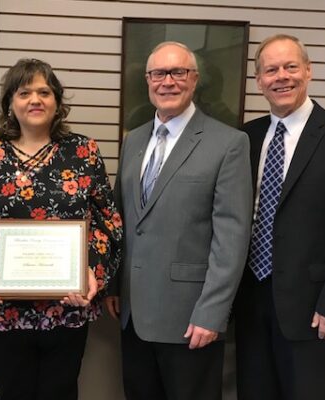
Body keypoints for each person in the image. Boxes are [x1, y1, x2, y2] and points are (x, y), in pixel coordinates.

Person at [0, 58, 122, 400]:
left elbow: (107, 222)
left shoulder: (84, 153)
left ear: (57, 102)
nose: (35, 100)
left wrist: (93, 272)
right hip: (3, 309)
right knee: (12, 392)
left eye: (44, 92)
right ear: (10, 103)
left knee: (60, 392)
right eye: (24, 92)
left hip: (67, 307)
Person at [233, 34, 325, 400]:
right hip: (251, 302)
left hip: (315, 309)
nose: (281, 76)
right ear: (259, 81)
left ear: (309, 71)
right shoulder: (245, 138)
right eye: (271, 70)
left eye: (290, 67)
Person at [105, 41, 252, 400]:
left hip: (190, 318)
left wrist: (212, 312)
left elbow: (231, 238)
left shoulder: (228, 143)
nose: (167, 81)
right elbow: (121, 219)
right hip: (133, 313)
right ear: (148, 80)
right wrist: (113, 285)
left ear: (195, 79)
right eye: (158, 73)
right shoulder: (134, 140)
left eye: (178, 72)